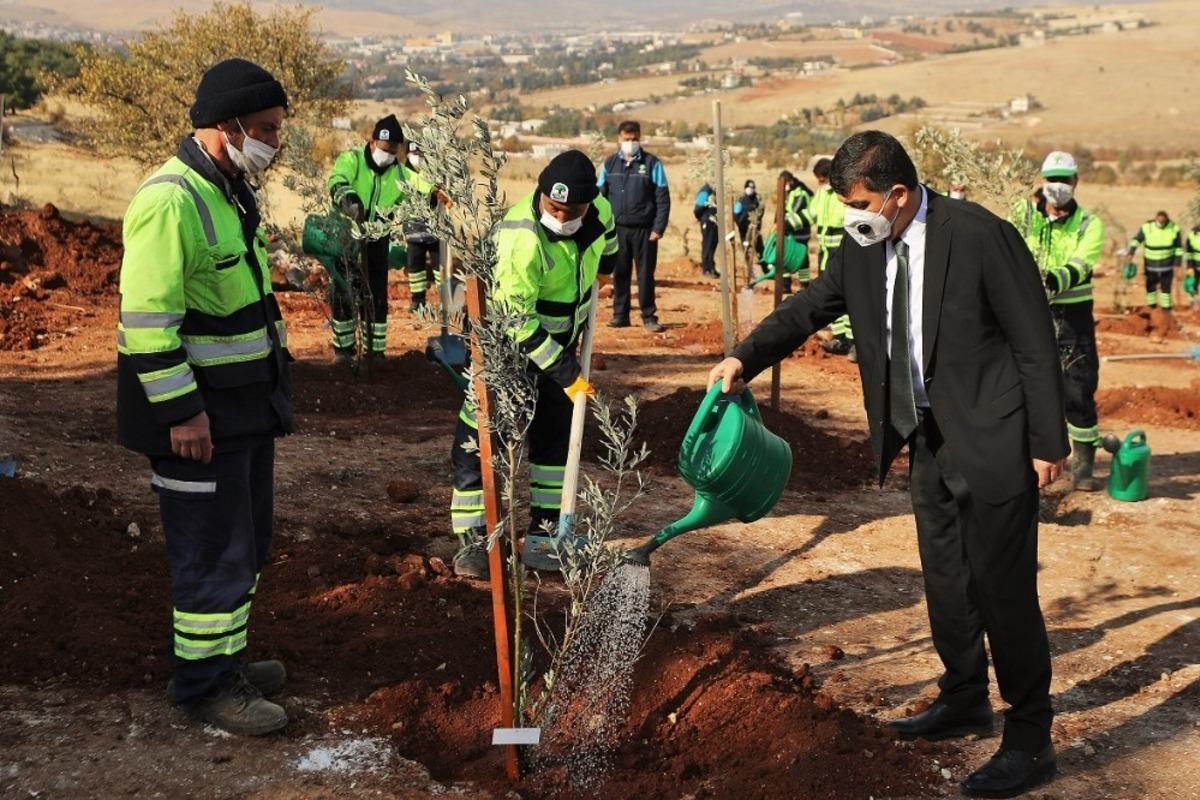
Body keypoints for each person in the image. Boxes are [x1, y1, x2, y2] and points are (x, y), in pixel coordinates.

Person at [709, 131, 1068, 798]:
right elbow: (808, 308)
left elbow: (1032, 338)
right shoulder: (864, 247)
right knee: (947, 578)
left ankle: (1030, 739)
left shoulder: (979, 236)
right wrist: (743, 356)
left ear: (897, 195)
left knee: (1003, 589)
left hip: (993, 436)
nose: (852, 214)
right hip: (924, 436)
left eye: (859, 201)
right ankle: (964, 697)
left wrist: (1048, 443)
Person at [117, 58, 294, 735]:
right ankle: (203, 687)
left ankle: (228, 662)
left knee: (246, 543)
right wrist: (181, 413)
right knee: (211, 553)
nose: (274, 143)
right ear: (226, 127)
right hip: (198, 419)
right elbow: (147, 323)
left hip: (242, 409)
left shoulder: (226, 187)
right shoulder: (171, 200)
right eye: (267, 130)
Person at [450, 150, 617, 577]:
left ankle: (545, 533)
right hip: (507, 347)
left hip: (563, 342)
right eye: (553, 207)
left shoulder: (599, 212)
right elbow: (517, 321)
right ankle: (474, 541)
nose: (560, 216)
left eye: (571, 210)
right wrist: (566, 374)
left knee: (555, 440)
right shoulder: (521, 238)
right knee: (485, 436)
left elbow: (610, 240)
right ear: (541, 194)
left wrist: (607, 270)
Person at [1012, 151, 1106, 491]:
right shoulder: (1023, 214)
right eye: (1052, 179)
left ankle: (1082, 466)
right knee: (1024, 384)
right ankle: (1025, 458)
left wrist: (1052, 280)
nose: (1058, 187)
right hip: (1030, 312)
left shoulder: (1089, 224)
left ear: (1076, 182)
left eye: (1064, 180)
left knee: (1078, 387)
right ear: (1042, 180)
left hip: (1072, 316)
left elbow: (1083, 263)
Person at [327, 114, 433, 361]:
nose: (387, 155)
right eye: (384, 149)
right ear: (373, 142)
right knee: (344, 290)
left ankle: (375, 353)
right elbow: (338, 179)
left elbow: (423, 188)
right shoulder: (352, 160)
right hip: (348, 237)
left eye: (393, 151)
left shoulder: (398, 173)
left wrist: (439, 196)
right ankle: (343, 351)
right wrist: (348, 199)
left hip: (378, 239)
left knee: (376, 295)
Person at [597, 120, 670, 332]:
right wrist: (601, 227)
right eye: (626, 139)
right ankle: (620, 315)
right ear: (619, 138)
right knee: (620, 273)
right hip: (617, 229)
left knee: (646, 275)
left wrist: (658, 228)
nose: (630, 143)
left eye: (634, 139)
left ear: (639, 138)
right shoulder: (609, 164)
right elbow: (599, 198)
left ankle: (649, 316)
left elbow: (663, 198)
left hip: (645, 231)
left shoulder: (652, 164)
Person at [808, 157, 854, 359]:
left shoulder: (842, 192)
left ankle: (854, 342)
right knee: (832, 295)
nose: (820, 183)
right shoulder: (822, 194)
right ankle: (841, 338)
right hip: (825, 251)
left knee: (849, 295)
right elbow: (812, 213)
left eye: (820, 179)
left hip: (841, 250)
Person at [401, 140, 442, 312]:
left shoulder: (435, 175)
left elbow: (446, 200)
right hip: (413, 232)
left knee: (439, 268)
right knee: (415, 267)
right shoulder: (402, 175)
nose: (417, 158)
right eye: (413, 155)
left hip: (434, 232)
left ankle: (445, 301)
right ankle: (418, 301)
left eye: (420, 155)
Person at [1126, 210, 1183, 310]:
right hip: (1151, 264)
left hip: (1167, 264)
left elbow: (1178, 248)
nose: (1161, 221)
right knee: (1150, 286)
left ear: (1166, 219)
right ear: (1156, 218)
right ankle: (1151, 307)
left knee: (1166, 288)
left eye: (1163, 219)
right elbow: (1136, 240)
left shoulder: (1174, 228)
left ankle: (1166, 309)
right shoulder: (1147, 227)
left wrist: (1178, 264)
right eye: (1159, 218)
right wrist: (1131, 252)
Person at [733, 178, 763, 259]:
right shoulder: (740, 199)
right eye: (749, 188)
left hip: (755, 229)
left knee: (760, 250)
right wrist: (741, 224)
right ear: (745, 188)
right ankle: (749, 268)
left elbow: (761, 210)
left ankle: (764, 267)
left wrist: (755, 220)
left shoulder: (757, 198)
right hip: (744, 230)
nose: (750, 190)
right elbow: (736, 214)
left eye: (752, 188)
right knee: (747, 250)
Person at [694, 181, 719, 277]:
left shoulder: (713, 191)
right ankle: (707, 269)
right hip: (707, 222)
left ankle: (711, 267)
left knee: (713, 244)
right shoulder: (705, 191)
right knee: (707, 245)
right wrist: (704, 218)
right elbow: (698, 208)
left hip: (714, 222)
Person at [1186, 223, 1200, 308]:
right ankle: (1193, 302)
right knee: (1192, 283)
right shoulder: (1192, 235)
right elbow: (1188, 251)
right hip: (1194, 263)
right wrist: (1190, 265)